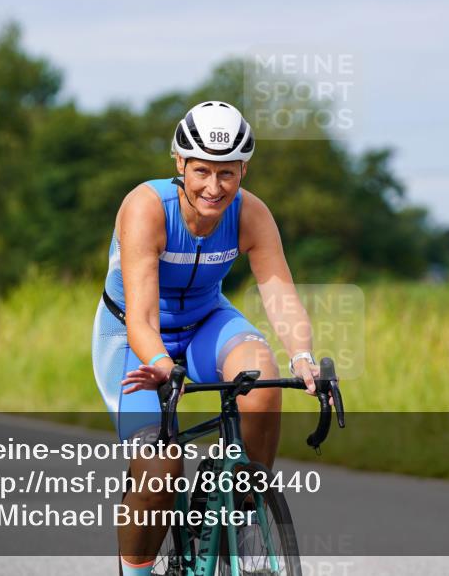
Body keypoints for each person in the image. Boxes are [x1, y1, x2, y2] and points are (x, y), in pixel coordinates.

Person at [91, 101, 318, 575]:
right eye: (201, 172)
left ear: (243, 169)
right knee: (160, 469)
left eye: (227, 174)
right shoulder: (146, 208)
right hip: (134, 337)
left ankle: (240, 511)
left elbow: (278, 293)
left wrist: (302, 355)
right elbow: (142, 316)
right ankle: (136, 570)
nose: (214, 188)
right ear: (180, 164)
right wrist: (159, 363)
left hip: (206, 322)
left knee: (262, 383)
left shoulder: (251, 213)